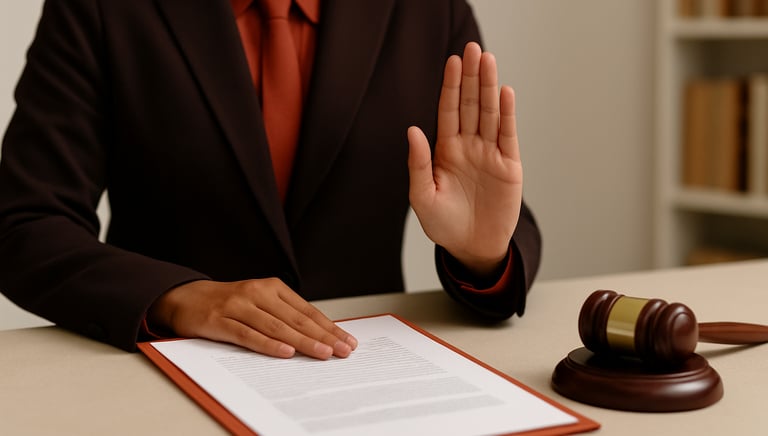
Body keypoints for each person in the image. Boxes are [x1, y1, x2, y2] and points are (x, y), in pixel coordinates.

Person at [0, 0, 541, 359]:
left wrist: (482, 256)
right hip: (163, 378)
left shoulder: (429, 9)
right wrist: (174, 297)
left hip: (369, 377)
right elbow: (23, 222)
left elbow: (483, 195)